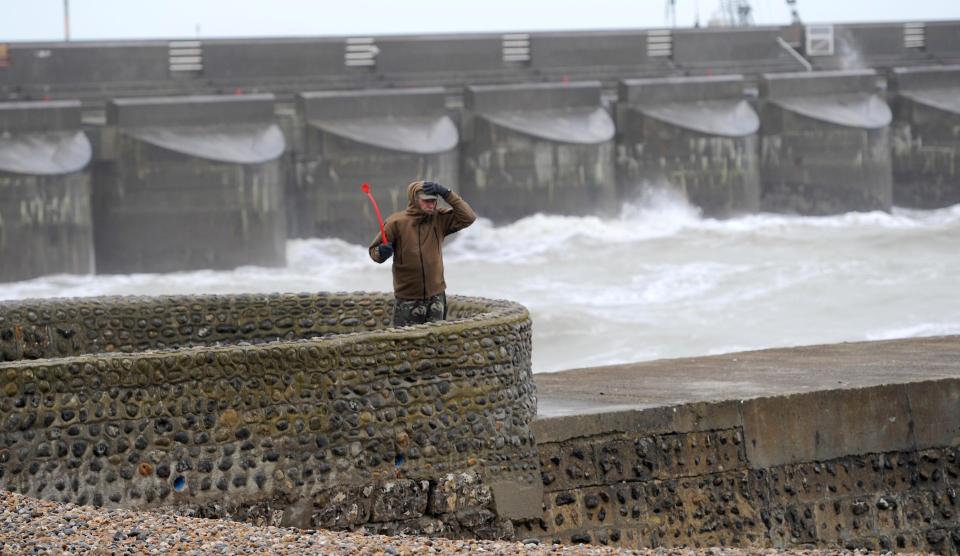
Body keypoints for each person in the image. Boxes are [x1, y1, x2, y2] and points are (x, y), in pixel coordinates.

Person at [369, 180, 476, 327]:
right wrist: (381, 252)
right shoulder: (396, 222)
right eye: (426, 201)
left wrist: (447, 193)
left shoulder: (439, 219)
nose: (431, 205)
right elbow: (374, 251)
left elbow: (468, 217)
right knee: (406, 344)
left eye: (433, 201)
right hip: (408, 299)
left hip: (437, 297)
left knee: (435, 345)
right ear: (414, 200)